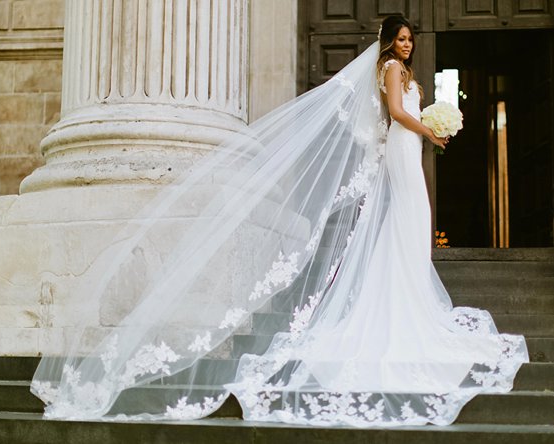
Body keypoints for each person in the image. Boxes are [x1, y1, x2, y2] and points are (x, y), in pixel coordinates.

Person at [31, 15, 528, 427]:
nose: (406, 45)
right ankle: (406, 306)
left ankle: (407, 299)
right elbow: (396, 113)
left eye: (409, 40)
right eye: (400, 38)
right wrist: (432, 130)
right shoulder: (390, 70)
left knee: (410, 223)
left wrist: (429, 131)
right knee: (410, 220)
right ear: (386, 41)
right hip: (405, 145)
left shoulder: (398, 68)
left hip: (406, 151)